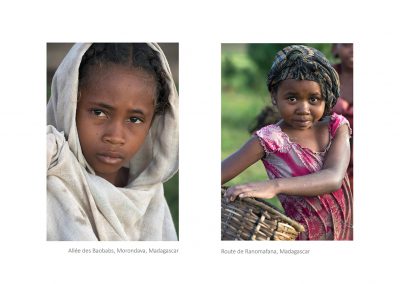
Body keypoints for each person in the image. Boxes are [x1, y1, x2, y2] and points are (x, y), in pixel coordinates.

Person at [47, 43, 179, 241]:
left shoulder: (149, 195)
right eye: (98, 113)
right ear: (68, 104)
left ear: (152, 124)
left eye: (135, 119)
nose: (115, 137)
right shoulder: (52, 171)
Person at [222, 45, 353, 240]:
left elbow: (333, 178)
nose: (303, 108)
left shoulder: (336, 127)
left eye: (314, 99)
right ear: (274, 97)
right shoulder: (269, 139)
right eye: (292, 98)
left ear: (326, 97)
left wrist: (274, 186)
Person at [332, 43, 353, 187]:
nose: (354, 50)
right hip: (330, 157)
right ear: (335, 48)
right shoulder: (324, 77)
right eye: (346, 44)